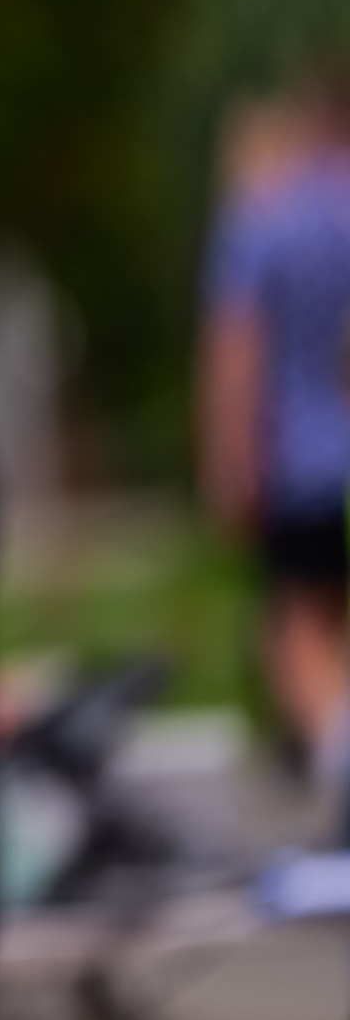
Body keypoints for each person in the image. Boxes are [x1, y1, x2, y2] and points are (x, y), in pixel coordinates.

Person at [198, 68, 350, 793]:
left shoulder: (259, 225)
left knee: (294, 624)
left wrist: (230, 463)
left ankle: (338, 761)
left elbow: (235, 357)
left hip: (298, 458)